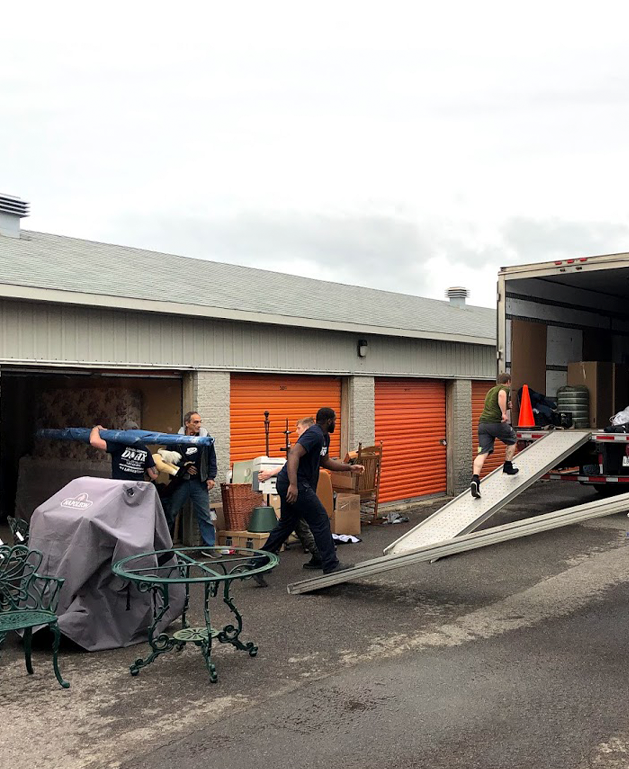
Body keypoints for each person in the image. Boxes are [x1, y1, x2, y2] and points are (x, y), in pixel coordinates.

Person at [254, 407, 364, 583]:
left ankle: (257, 564)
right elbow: (293, 454)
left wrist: (349, 467)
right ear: (329, 421)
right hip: (296, 484)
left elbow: (325, 461)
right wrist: (293, 484)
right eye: (335, 420)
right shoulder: (314, 434)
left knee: (287, 524)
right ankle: (330, 564)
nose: (335, 423)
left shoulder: (324, 437)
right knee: (320, 518)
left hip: (296, 483)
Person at [258, 416, 322, 570]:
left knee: (298, 523)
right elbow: (289, 465)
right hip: (298, 488)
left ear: (307, 428)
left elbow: (290, 465)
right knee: (294, 523)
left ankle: (261, 560)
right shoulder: (308, 443)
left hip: (298, 488)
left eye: (298, 428)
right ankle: (318, 554)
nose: (296, 431)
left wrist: (272, 473)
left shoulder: (308, 442)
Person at [162, 411, 217, 547]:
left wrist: (211, 477)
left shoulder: (206, 439)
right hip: (181, 482)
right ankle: (164, 546)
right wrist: (183, 466)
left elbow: (212, 459)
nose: (199, 425)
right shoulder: (176, 440)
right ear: (187, 423)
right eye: (195, 422)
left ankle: (208, 547)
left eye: (200, 422)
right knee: (170, 513)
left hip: (199, 482)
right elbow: (166, 459)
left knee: (205, 516)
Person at [471, 373, 519, 498]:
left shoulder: (491, 390)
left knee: (482, 452)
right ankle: (508, 466)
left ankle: (475, 479)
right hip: (495, 423)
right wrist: (504, 413)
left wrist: (506, 407)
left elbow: (493, 404)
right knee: (512, 439)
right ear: (508, 381)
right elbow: (502, 395)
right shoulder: (504, 389)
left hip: (483, 425)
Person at [89, 421, 159, 482]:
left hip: (120, 487)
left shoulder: (118, 445)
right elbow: (154, 475)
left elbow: (93, 441)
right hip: (138, 488)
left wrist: (96, 429)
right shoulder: (145, 449)